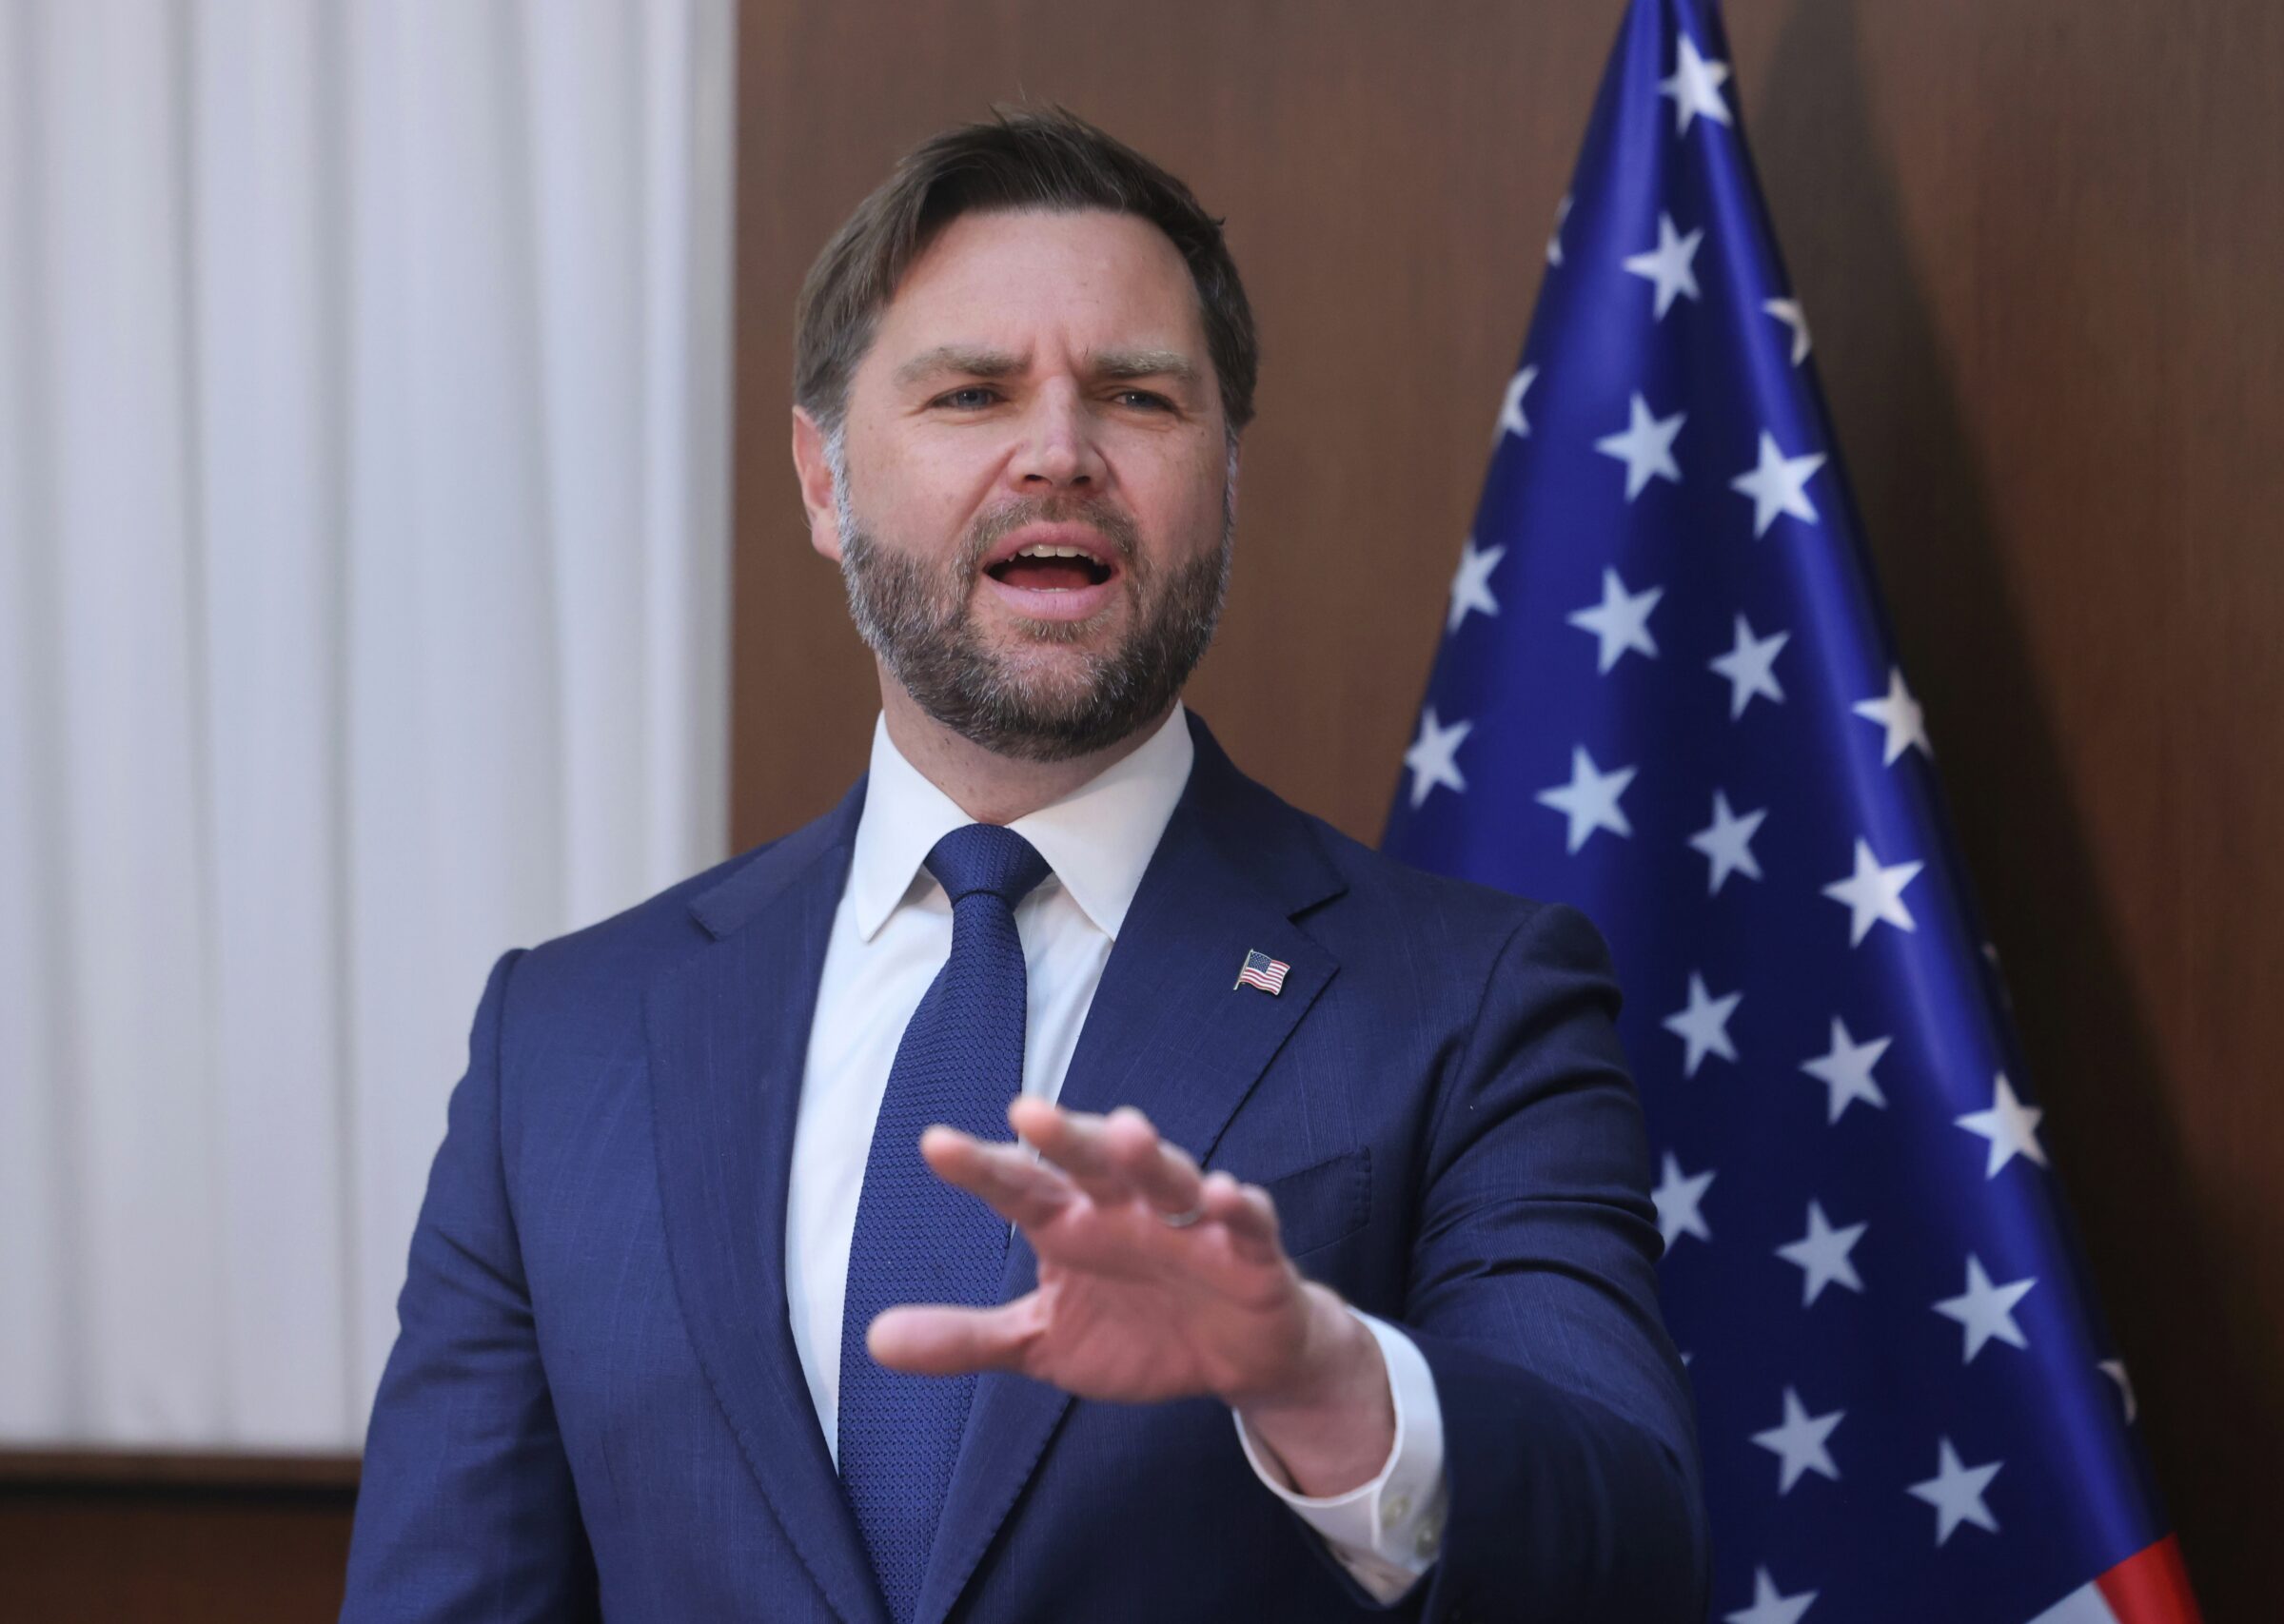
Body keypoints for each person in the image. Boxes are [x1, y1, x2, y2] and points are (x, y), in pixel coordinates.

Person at [340, 107, 1707, 1624]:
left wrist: (1323, 1382)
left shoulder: (1478, 1002)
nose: (1058, 452)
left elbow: (1634, 1551)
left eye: (1137, 395)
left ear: (1227, 478)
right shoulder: (566, 1041)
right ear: (821, 479)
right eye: (971, 393)